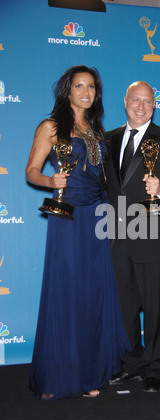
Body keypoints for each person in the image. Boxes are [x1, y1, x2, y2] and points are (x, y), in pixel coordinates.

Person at [26, 65, 131, 400]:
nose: (86, 92)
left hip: (97, 215)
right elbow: (31, 170)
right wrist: (49, 181)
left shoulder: (96, 130)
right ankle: (59, 375)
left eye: (91, 87)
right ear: (67, 91)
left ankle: (90, 374)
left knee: (94, 294)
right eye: (79, 86)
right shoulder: (52, 126)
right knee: (68, 293)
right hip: (68, 216)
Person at [105, 81, 160, 392]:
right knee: (125, 306)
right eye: (135, 100)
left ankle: (153, 367)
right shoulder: (108, 139)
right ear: (125, 101)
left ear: (155, 105)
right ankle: (131, 362)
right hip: (117, 236)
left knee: (154, 307)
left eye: (147, 101)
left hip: (155, 234)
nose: (140, 106)